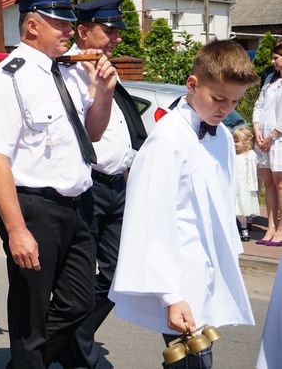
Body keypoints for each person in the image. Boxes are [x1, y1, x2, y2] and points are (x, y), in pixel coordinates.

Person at [0, 0, 117, 369]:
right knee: (31, 312)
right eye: (60, 23)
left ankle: (23, 361)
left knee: (79, 304)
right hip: (35, 208)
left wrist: (103, 92)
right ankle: (27, 359)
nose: (70, 30)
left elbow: (93, 133)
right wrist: (17, 230)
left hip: (78, 204)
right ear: (32, 26)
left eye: (70, 22)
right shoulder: (10, 78)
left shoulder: (70, 71)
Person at [110, 40, 258, 368]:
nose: (225, 109)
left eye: (234, 101)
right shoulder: (167, 140)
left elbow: (221, 203)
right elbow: (149, 220)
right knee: (193, 361)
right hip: (178, 276)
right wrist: (170, 295)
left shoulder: (219, 135)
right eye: (218, 98)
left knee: (198, 362)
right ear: (192, 85)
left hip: (208, 270)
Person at [60, 0, 148, 367]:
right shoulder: (64, 73)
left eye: (117, 32)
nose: (115, 38)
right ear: (82, 31)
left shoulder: (107, 69)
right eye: (108, 30)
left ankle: (66, 340)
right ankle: (79, 351)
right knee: (79, 281)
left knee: (116, 276)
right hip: (89, 187)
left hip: (118, 187)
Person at [253, 44, 282, 246]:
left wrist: (271, 137)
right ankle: (271, 226)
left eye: (276, 58)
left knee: (280, 184)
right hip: (263, 138)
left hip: (278, 139)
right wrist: (256, 129)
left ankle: (281, 229)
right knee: (269, 185)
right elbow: (258, 105)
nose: (272, 61)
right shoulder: (270, 79)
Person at [233, 126, 259, 242]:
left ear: (247, 143)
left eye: (237, 141)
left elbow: (252, 172)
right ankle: (235, 229)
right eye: (234, 141)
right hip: (233, 184)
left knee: (241, 210)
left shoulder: (250, 155)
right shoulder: (232, 154)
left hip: (242, 185)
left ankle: (244, 229)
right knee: (234, 209)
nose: (234, 144)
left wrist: (252, 188)